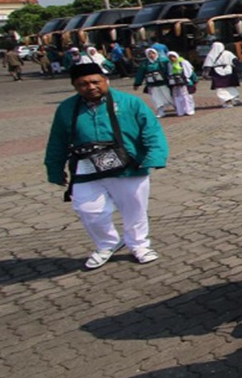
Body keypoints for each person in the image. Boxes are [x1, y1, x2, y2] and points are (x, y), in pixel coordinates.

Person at [45, 62, 169, 269]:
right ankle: (107, 243)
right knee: (88, 210)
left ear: (105, 81)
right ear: (75, 86)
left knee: (134, 210)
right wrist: (54, 168)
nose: (91, 87)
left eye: (95, 81)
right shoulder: (66, 108)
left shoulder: (129, 102)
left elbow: (151, 130)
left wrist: (154, 156)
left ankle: (139, 245)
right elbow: (57, 140)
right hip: (87, 167)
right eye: (83, 84)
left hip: (129, 166)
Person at [133, 48, 174, 118]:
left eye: (153, 53)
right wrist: (137, 83)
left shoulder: (163, 61)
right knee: (156, 99)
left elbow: (171, 70)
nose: (151, 55)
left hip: (163, 83)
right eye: (149, 54)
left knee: (169, 97)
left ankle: (178, 108)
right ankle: (160, 111)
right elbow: (140, 74)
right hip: (152, 84)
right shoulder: (145, 64)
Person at [202, 41, 242, 108]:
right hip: (229, 70)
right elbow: (235, 61)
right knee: (230, 85)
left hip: (217, 72)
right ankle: (235, 98)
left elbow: (207, 65)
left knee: (220, 88)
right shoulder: (228, 53)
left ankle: (227, 101)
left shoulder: (211, 54)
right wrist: (239, 70)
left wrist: (205, 73)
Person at [165, 51, 197, 117]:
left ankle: (189, 110)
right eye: (170, 57)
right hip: (175, 83)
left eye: (173, 57)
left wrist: (195, 80)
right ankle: (180, 111)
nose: (172, 58)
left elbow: (190, 72)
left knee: (186, 96)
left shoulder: (183, 62)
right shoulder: (169, 64)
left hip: (185, 82)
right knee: (177, 97)